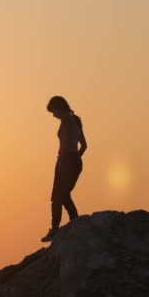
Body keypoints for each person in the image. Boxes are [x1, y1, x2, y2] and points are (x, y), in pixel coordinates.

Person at [41, 96, 87, 242]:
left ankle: (55, 230)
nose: (54, 115)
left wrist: (65, 162)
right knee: (64, 195)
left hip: (65, 162)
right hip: (73, 162)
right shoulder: (76, 120)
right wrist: (76, 159)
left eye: (54, 112)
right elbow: (84, 145)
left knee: (57, 197)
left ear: (59, 107)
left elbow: (67, 146)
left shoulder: (66, 121)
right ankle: (75, 221)